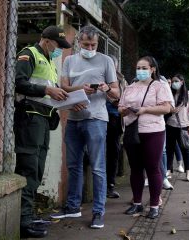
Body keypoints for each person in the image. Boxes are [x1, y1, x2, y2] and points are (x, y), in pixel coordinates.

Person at [50, 25, 119, 229]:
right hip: (73, 117)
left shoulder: (106, 61)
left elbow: (116, 93)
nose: (90, 47)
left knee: (98, 167)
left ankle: (98, 212)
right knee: (73, 165)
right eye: (86, 44)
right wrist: (81, 90)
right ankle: (73, 206)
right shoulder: (70, 60)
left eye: (94, 44)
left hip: (97, 118)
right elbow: (63, 86)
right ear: (79, 42)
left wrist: (106, 88)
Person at [14, 25, 71, 238]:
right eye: (57, 44)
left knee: (37, 168)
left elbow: (50, 91)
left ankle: (27, 217)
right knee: (29, 167)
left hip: (44, 119)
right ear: (45, 40)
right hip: (30, 117)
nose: (59, 49)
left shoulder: (49, 61)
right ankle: (23, 221)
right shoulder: (29, 54)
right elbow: (18, 83)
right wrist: (47, 90)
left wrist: (66, 98)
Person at [119, 56, 172, 219]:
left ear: (152, 69)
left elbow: (167, 108)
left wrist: (145, 110)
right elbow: (120, 108)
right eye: (138, 68)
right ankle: (137, 204)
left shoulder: (159, 86)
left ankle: (154, 205)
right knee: (135, 168)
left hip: (153, 131)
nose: (140, 71)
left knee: (152, 168)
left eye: (144, 68)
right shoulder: (130, 87)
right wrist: (125, 110)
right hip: (132, 131)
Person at [166, 74, 189, 182]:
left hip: (183, 126)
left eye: (176, 81)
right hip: (170, 125)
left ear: (182, 82)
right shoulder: (170, 93)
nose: (174, 83)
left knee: (185, 149)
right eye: (173, 81)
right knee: (169, 149)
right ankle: (168, 170)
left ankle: (188, 171)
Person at [106, 55, 126, 198]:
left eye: (114, 64)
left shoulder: (121, 79)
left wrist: (119, 101)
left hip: (115, 119)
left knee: (113, 152)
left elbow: (126, 97)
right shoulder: (98, 75)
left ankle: (110, 185)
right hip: (99, 117)